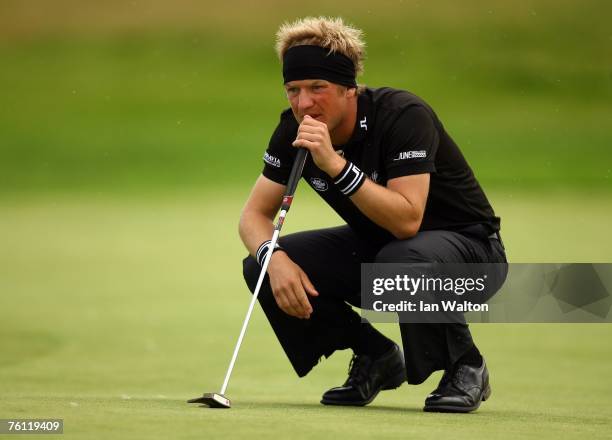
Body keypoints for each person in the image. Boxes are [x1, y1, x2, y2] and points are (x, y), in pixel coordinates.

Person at [240, 16, 507, 413]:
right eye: (293, 90)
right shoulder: (293, 130)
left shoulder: (403, 115)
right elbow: (253, 216)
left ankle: (465, 364)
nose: (303, 103)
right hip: (387, 255)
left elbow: (407, 221)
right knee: (258, 265)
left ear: (350, 89)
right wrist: (273, 259)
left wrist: (336, 166)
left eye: (318, 88)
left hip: (472, 256)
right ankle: (376, 356)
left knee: (403, 256)